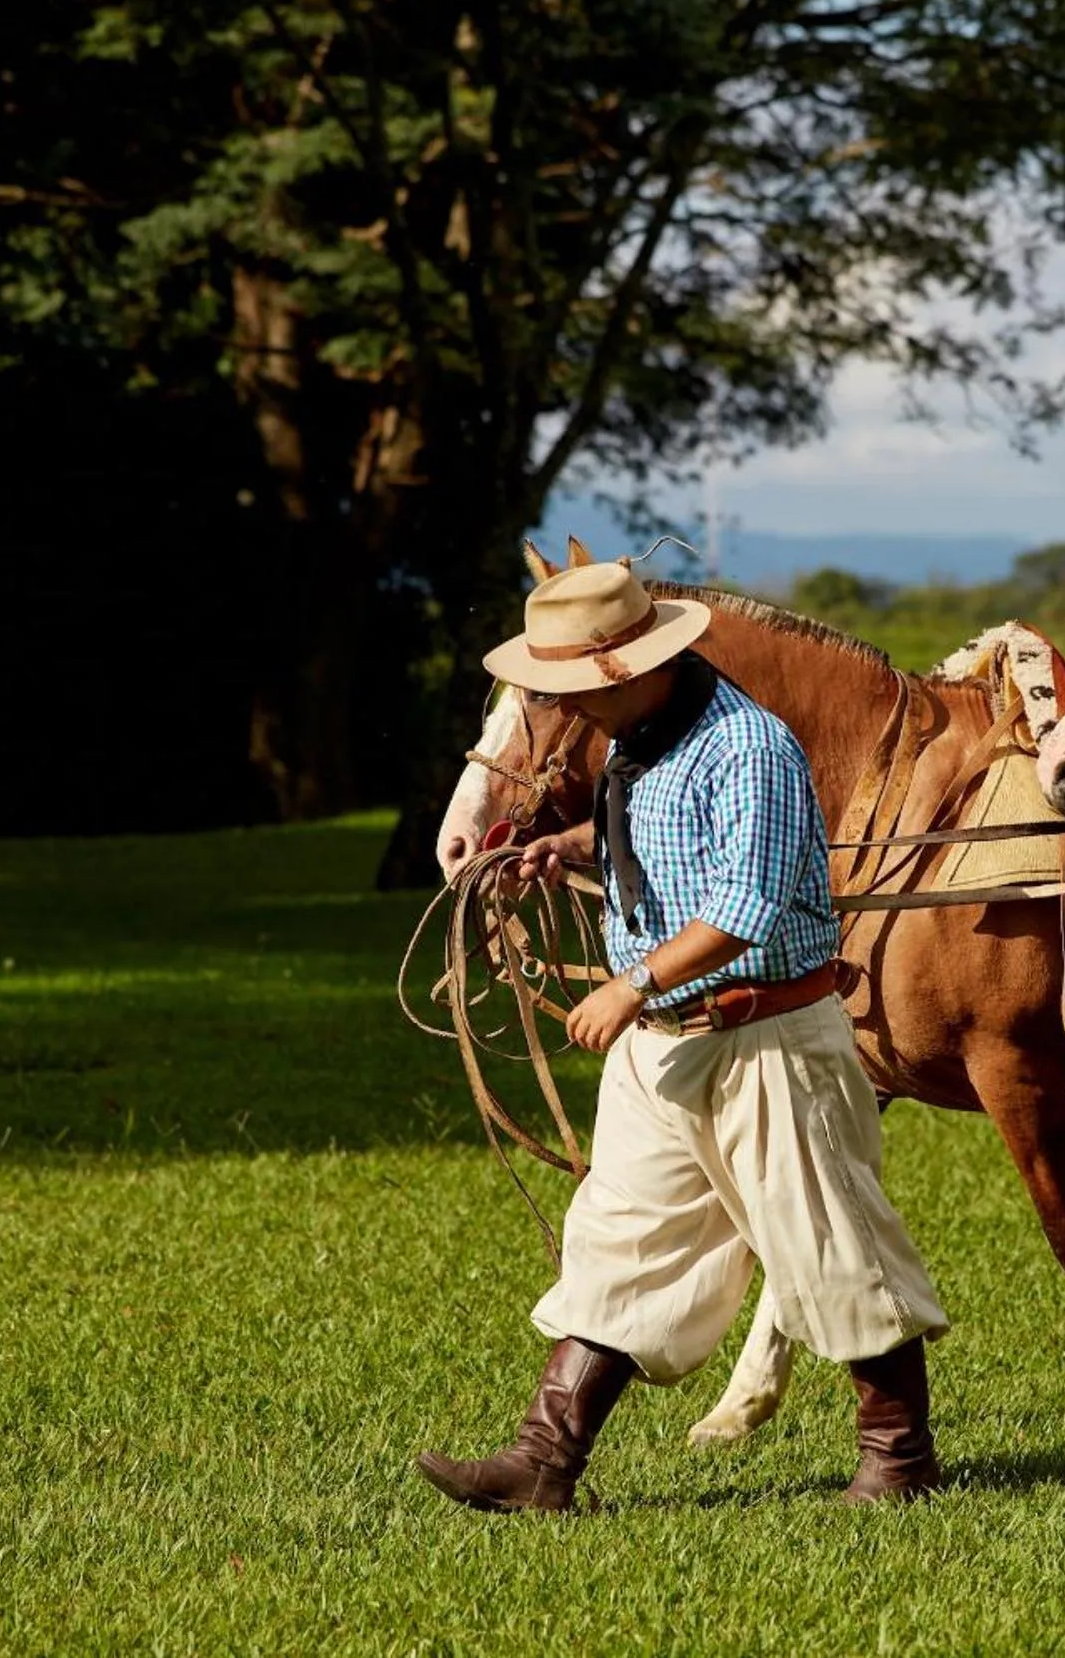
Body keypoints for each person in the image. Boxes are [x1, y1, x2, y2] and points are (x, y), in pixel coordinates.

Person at [418, 554, 950, 1514]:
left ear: (624, 670)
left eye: (569, 685)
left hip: (768, 1040)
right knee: (623, 1238)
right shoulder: (639, 743)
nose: (561, 705)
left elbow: (743, 902)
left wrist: (631, 984)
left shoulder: (751, 747)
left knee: (828, 1238)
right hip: (667, 1048)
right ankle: (544, 1462)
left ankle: (900, 1460)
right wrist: (565, 845)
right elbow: (664, 829)